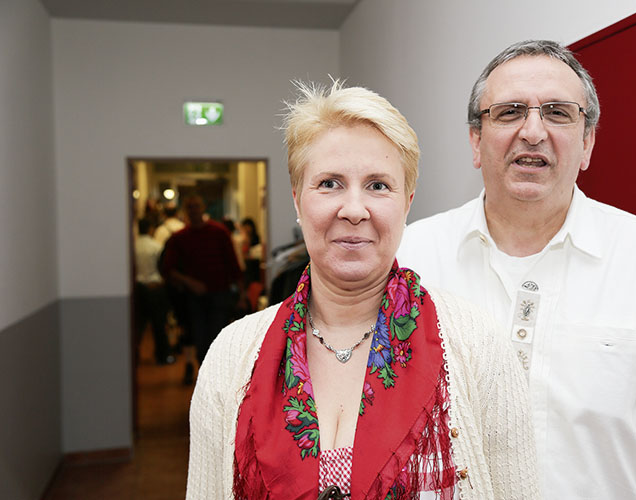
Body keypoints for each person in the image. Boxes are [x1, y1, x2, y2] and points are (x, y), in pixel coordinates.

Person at [397, 39, 636, 499]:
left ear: (587, 144)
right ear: (476, 141)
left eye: (558, 113)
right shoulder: (411, 258)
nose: (533, 132)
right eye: (509, 112)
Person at [186, 81, 540, 499]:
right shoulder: (231, 356)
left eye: (378, 185)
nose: (354, 210)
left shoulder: (477, 344)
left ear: (407, 203)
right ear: (297, 201)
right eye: (329, 183)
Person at [161, 196, 246, 375]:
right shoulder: (179, 238)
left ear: (203, 208)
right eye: (190, 207)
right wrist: (189, 282)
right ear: (185, 210)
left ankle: (217, 378)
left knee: (218, 339)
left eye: (196, 206)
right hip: (194, 297)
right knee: (199, 340)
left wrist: (242, 294)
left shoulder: (219, 232)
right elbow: (168, 269)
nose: (193, 210)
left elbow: (233, 265)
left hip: (220, 294)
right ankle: (206, 377)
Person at [133, 218, 173, 365]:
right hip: (155, 287)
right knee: (158, 324)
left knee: (138, 325)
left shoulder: (133, 246)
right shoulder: (156, 246)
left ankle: (134, 354)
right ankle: (162, 355)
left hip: (137, 288)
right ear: (150, 229)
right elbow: (162, 267)